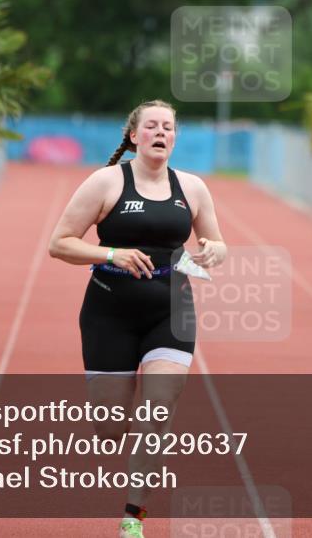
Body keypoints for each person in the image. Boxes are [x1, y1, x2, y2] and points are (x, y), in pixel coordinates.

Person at [48, 99, 227, 538]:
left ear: (174, 138)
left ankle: (133, 517)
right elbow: (60, 243)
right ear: (134, 136)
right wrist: (112, 253)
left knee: (157, 413)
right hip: (109, 312)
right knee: (111, 428)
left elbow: (217, 243)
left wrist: (214, 251)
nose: (161, 132)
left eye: (168, 126)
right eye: (152, 126)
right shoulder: (106, 182)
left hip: (171, 309)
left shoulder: (192, 188)